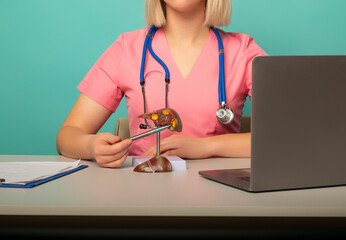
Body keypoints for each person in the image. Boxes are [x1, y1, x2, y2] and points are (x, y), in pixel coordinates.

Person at [56, 0, 267, 168]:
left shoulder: (243, 51)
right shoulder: (126, 49)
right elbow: (67, 136)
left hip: (222, 194)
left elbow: (287, 135)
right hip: (144, 193)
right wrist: (92, 146)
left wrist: (205, 146)